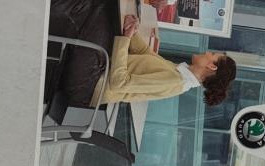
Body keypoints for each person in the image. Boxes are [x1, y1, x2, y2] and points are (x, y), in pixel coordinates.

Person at [100, 15, 239, 107]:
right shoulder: (180, 72)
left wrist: (125, 39)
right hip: (102, 67)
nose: (208, 52)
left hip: (97, 78)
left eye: (212, 54)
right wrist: (133, 31)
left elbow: (119, 83)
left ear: (212, 66)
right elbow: (145, 53)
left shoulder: (175, 81)